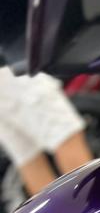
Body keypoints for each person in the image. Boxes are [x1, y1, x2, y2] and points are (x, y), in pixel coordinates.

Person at [0, 67, 93, 196]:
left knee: (28, 156)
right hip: (11, 71)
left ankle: (62, 210)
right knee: (65, 134)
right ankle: (93, 202)